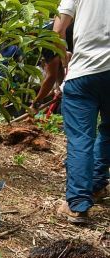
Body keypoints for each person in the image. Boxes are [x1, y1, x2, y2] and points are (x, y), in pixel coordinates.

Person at [54, 0, 109, 225]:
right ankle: (96, 184)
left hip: (84, 71)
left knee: (80, 137)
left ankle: (77, 204)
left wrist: (63, 55)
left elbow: (57, 29)